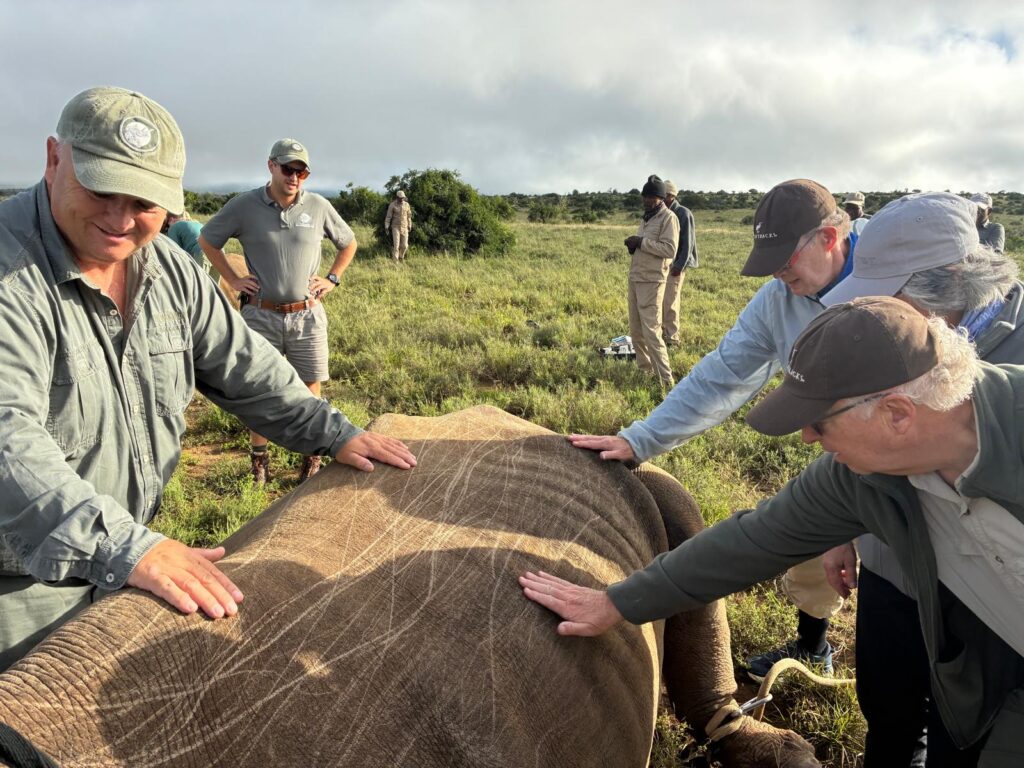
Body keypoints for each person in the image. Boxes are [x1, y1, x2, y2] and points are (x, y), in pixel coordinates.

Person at [0, 87, 416, 672]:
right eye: (100, 189)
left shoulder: (169, 268)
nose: (120, 220)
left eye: (144, 200)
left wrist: (333, 432)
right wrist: (129, 549)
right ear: (52, 158)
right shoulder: (9, 274)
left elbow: (244, 366)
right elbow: (7, 440)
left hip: (122, 557)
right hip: (18, 584)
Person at [524, 297, 1024, 766]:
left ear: (897, 415)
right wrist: (617, 602)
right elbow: (753, 540)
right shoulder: (859, 476)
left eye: (819, 423)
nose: (807, 437)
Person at [573, 179, 857, 678]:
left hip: (918, 456)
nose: (776, 274)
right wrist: (640, 438)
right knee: (818, 549)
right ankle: (813, 644)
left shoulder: (897, 272)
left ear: (829, 239)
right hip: (849, 453)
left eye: (785, 261)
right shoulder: (778, 300)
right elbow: (721, 376)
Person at [818, 191, 1022, 766]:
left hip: (988, 595)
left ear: (951, 283)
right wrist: (842, 526)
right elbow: (849, 430)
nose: (871, 311)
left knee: (967, 732)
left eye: (888, 292)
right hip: (892, 563)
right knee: (886, 708)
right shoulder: (898, 331)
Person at [200, 139, 358, 484]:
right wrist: (233, 278)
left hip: (307, 314)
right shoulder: (244, 206)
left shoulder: (317, 206)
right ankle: (259, 463)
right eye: (288, 169)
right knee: (259, 387)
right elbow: (208, 240)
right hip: (260, 314)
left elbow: (349, 242)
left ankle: (311, 460)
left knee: (310, 384)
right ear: (271, 165)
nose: (295, 177)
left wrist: (332, 278)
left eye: (302, 171)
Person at [623, 175, 680, 389]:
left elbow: (669, 249)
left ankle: (666, 381)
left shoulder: (669, 219)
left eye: (652, 198)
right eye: (644, 197)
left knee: (652, 331)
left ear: (662, 198)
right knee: (636, 331)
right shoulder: (646, 218)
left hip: (652, 281)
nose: (647, 201)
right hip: (636, 277)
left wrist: (642, 242)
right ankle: (645, 372)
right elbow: (648, 247)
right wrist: (634, 246)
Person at [661, 179, 698, 348]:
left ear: (670, 196)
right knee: (662, 300)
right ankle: (663, 333)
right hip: (665, 263)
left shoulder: (683, 213)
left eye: (663, 195)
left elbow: (688, 243)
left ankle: (672, 338)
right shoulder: (663, 212)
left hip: (676, 265)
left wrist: (679, 266)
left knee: (670, 301)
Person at [163, 210, 217, 278]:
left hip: (203, 252)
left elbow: (175, 252)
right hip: (219, 252)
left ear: (171, 219)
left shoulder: (174, 227)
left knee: (200, 284)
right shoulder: (196, 223)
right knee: (214, 286)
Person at [384, 190, 413, 262]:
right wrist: (386, 226)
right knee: (396, 246)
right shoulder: (392, 205)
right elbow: (388, 216)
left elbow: (409, 216)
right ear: (397, 197)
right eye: (400, 198)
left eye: (403, 198)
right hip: (395, 227)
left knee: (405, 245)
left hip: (404, 227)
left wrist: (409, 225)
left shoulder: (407, 205)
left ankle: (401, 256)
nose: (401, 199)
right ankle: (395, 261)